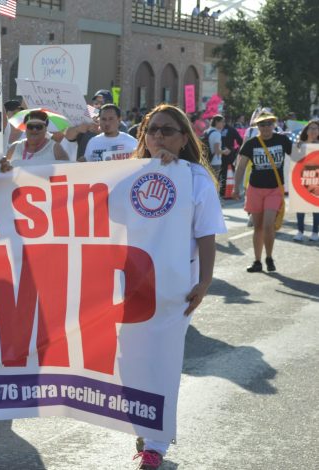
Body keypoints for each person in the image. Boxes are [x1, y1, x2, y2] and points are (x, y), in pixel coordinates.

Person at [132, 104, 226, 469]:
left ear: (184, 138)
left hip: (176, 285)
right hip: (131, 283)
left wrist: (204, 281)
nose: (158, 136)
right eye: (152, 130)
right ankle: (144, 422)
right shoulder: (126, 174)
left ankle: (155, 444)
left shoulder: (195, 179)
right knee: (132, 360)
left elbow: (206, 235)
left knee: (161, 361)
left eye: (167, 130)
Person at [233, 112, 292, 272]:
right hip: (255, 190)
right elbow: (241, 165)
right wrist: (236, 186)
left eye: (268, 123)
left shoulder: (282, 140)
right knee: (257, 227)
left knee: (268, 226)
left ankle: (269, 257)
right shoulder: (251, 143)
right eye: (262, 124)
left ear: (274, 124)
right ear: (257, 126)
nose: (265, 127)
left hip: (275, 189)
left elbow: (299, 158)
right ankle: (257, 261)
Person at [1, 110, 70, 170]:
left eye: (38, 127)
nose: (34, 130)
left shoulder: (55, 148)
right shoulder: (15, 147)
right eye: (30, 127)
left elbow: (68, 170)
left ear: (45, 129)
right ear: (25, 129)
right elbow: (3, 171)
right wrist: (4, 167)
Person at [293, 119, 319, 241]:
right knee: (301, 206)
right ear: (306, 131)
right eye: (311, 128)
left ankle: (315, 233)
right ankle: (300, 231)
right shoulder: (299, 145)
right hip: (302, 179)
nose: (314, 131)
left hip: (317, 180)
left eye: (316, 128)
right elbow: (293, 163)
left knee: (316, 208)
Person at [218, 118, 243, 198]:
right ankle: (227, 191)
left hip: (222, 155)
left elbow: (240, 141)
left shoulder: (218, 130)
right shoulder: (231, 130)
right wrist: (236, 150)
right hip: (227, 154)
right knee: (228, 173)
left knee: (223, 172)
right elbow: (240, 141)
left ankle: (223, 191)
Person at [205, 115, 228, 179]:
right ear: (217, 122)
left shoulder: (207, 131)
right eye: (222, 122)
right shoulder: (217, 134)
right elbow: (217, 150)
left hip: (207, 160)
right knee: (214, 183)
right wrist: (225, 152)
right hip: (215, 162)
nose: (224, 124)